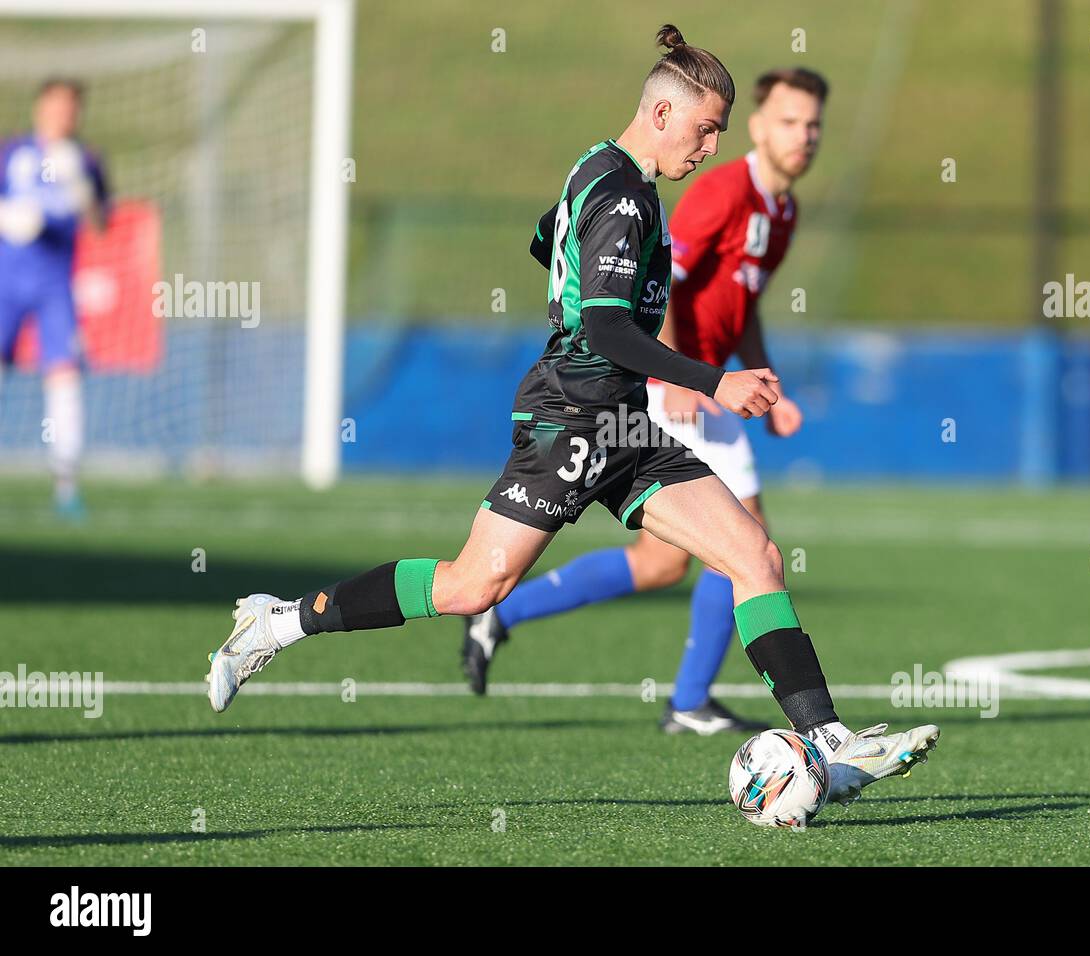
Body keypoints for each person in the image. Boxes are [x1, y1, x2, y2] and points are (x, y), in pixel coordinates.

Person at [204, 25, 939, 809]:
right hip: (572, 418)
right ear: (660, 115)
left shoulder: (603, 170)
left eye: (719, 130)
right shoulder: (624, 194)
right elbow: (608, 328)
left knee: (754, 556)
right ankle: (279, 622)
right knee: (470, 586)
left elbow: (543, 238)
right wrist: (712, 381)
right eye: (705, 128)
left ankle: (830, 741)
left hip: (624, 423)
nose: (712, 145)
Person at [462, 67, 830, 738]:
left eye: (813, 125)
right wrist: (684, 380)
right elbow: (658, 289)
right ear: (757, 128)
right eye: (788, 121)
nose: (802, 136)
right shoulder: (720, 191)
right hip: (674, 385)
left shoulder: (783, 213)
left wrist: (764, 382)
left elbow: (740, 305)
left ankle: (498, 613)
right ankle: (694, 703)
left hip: (700, 383)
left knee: (665, 565)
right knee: (750, 549)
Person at [0, 78, 108, 519]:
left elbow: (101, 221)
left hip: (54, 287)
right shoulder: (12, 152)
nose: (62, 114)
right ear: (40, 107)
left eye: (70, 107)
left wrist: (83, 194)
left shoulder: (86, 160)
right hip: (5, 282)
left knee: (64, 378)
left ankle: (66, 485)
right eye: (55, 105)